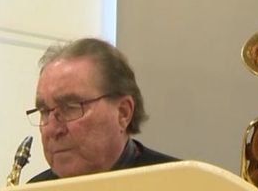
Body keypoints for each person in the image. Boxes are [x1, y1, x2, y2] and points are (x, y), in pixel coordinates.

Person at [26, 37, 178, 182]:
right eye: (44, 111)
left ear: (123, 113)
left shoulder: (181, 183)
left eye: (70, 108)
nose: (52, 130)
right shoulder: (34, 188)